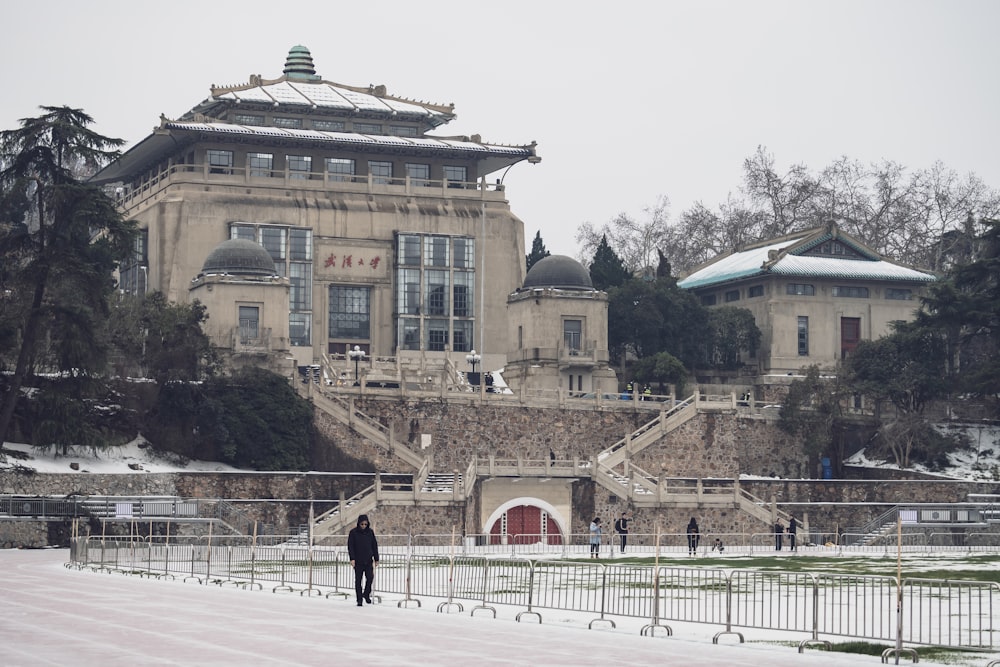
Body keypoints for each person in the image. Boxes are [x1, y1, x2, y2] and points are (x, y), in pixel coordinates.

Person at [348, 514, 379, 606]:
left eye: (365, 524)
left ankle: (366, 594)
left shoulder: (370, 532)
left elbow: (374, 545)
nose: (364, 526)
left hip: (368, 560)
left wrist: (376, 558)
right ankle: (359, 599)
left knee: (370, 578)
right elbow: (351, 546)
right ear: (359, 524)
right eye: (362, 524)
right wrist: (352, 558)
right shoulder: (353, 533)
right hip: (358, 560)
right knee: (358, 580)